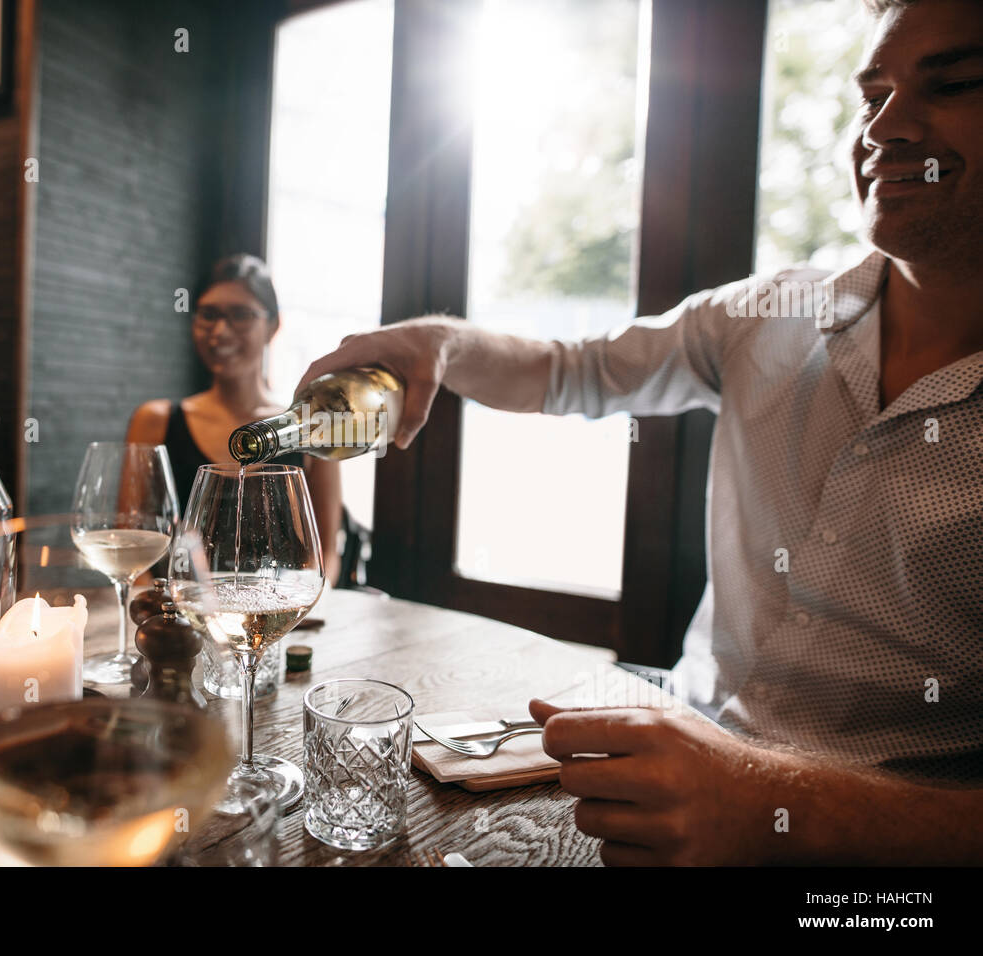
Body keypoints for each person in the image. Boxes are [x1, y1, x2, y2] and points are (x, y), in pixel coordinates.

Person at [298, 0, 983, 864]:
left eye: (953, 83)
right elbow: (573, 368)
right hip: (664, 771)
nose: (885, 126)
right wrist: (440, 342)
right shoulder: (766, 315)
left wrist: (772, 806)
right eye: (871, 94)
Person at [127, 254, 342, 584]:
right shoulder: (154, 421)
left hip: (276, 618)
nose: (220, 331)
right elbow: (132, 550)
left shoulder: (311, 425)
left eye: (241, 315)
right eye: (208, 315)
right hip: (180, 620)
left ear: (273, 325)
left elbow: (324, 559)